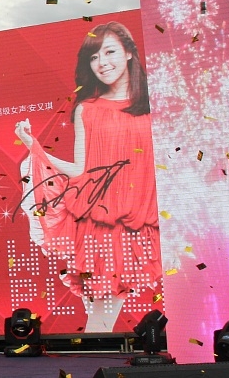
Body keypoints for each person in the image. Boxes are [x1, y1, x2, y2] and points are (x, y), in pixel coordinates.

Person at [15, 21, 162, 334]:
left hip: (152, 221)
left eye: (109, 52)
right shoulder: (87, 109)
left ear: (129, 53)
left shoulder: (157, 106)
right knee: (102, 319)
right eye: (94, 57)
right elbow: (82, 170)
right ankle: (94, 360)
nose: (102, 63)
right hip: (104, 228)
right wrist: (34, 146)